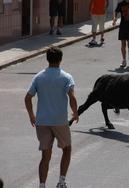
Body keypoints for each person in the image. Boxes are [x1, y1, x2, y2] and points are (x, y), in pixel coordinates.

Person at [24, 47, 79, 188]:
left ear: (47, 59)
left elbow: (28, 97)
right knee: (67, 149)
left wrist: (31, 115)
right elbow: (71, 97)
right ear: (60, 59)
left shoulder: (39, 77)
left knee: (45, 156)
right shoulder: (66, 77)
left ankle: (42, 185)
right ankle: (61, 182)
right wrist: (75, 112)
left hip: (42, 122)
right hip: (60, 121)